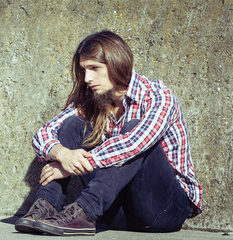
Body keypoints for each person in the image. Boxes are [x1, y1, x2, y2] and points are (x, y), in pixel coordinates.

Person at [14, 30, 202, 236]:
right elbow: (44, 133)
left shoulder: (158, 96)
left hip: (163, 211)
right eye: (84, 70)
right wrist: (62, 155)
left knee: (132, 129)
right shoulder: (92, 98)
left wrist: (74, 166)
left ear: (116, 62)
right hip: (116, 212)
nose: (87, 78)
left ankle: (85, 209)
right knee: (72, 125)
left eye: (94, 68)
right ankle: (45, 207)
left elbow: (135, 142)